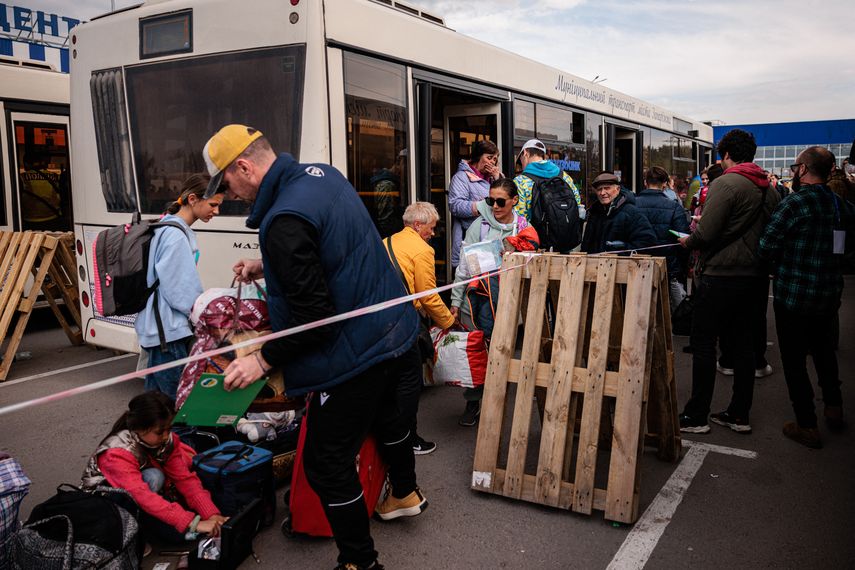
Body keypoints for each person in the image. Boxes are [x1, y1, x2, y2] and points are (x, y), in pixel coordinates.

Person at [206, 125, 423, 570]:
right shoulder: (321, 175)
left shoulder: (282, 220)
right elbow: (331, 249)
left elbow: (314, 319)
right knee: (387, 420)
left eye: (225, 184)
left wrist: (261, 360)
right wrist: (267, 266)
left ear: (244, 167)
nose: (228, 196)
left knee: (326, 463)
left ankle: (360, 563)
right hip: (392, 331)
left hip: (352, 352)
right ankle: (405, 492)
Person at [677, 128, 780, 435]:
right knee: (744, 344)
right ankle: (739, 413)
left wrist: (688, 241)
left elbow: (706, 233)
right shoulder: (769, 188)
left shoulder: (726, 183)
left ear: (726, 155)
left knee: (704, 343)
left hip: (721, 275)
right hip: (755, 277)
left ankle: (696, 415)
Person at [758, 146, 846, 449]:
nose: (794, 172)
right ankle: (834, 408)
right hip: (828, 294)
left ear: (804, 169)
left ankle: (806, 424)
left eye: (795, 167)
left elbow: (766, 245)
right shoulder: (838, 204)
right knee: (824, 352)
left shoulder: (794, 203)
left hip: (794, 296)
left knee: (794, 361)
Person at [81, 392, 227, 545]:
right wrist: (193, 523)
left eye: (169, 429)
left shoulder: (166, 441)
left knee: (189, 529)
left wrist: (211, 514)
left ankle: (149, 527)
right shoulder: (116, 453)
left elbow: (185, 479)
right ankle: (134, 535)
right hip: (105, 505)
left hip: (143, 495)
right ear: (140, 428)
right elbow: (143, 497)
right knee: (155, 478)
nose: (166, 436)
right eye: (160, 432)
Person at [135, 174, 224, 400]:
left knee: (155, 408)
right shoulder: (175, 235)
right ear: (192, 199)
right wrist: (204, 315)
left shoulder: (165, 225)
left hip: (156, 331)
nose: (216, 211)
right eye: (213, 204)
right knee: (179, 406)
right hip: (169, 333)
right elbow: (181, 290)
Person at [450, 178, 528, 426]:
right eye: (490, 200)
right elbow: (463, 269)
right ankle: (473, 402)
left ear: (514, 201)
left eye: (500, 201)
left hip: (507, 304)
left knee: (501, 354)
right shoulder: (479, 226)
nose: (494, 206)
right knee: (477, 355)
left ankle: (496, 405)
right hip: (474, 304)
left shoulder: (523, 228)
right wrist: (455, 301)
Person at [383, 202, 455, 455]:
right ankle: (408, 440)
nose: (433, 233)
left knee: (389, 382)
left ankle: (388, 436)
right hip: (403, 323)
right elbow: (429, 296)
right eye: (431, 228)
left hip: (380, 322)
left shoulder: (387, 241)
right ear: (417, 225)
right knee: (409, 383)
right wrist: (448, 322)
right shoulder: (422, 250)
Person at [635, 166, 690, 310]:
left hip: (637, 265)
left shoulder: (633, 204)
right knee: (666, 311)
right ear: (665, 184)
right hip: (668, 266)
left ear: (645, 182)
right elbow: (683, 239)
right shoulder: (674, 207)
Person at [448, 140, 502, 269]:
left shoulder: (493, 178)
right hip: (471, 240)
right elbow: (455, 205)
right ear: (478, 156)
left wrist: (498, 178)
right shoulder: (461, 177)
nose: (492, 162)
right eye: (489, 157)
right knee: (472, 276)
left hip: (491, 239)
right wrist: (480, 206)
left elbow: (507, 198)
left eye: (495, 159)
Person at [513, 138, 585, 226]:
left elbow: (519, 219)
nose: (521, 165)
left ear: (525, 153)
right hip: (566, 232)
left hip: (535, 233)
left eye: (520, 160)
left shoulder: (520, 181)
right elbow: (577, 203)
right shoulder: (565, 177)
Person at [580, 172, 656, 254]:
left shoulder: (631, 212)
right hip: (594, 262)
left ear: (618, 189)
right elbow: (586, 245)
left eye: (607, 188)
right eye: (599, 189)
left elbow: (647, 243)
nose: (602, 193)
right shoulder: (594, 212)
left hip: (620, 262)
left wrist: (620, 250)